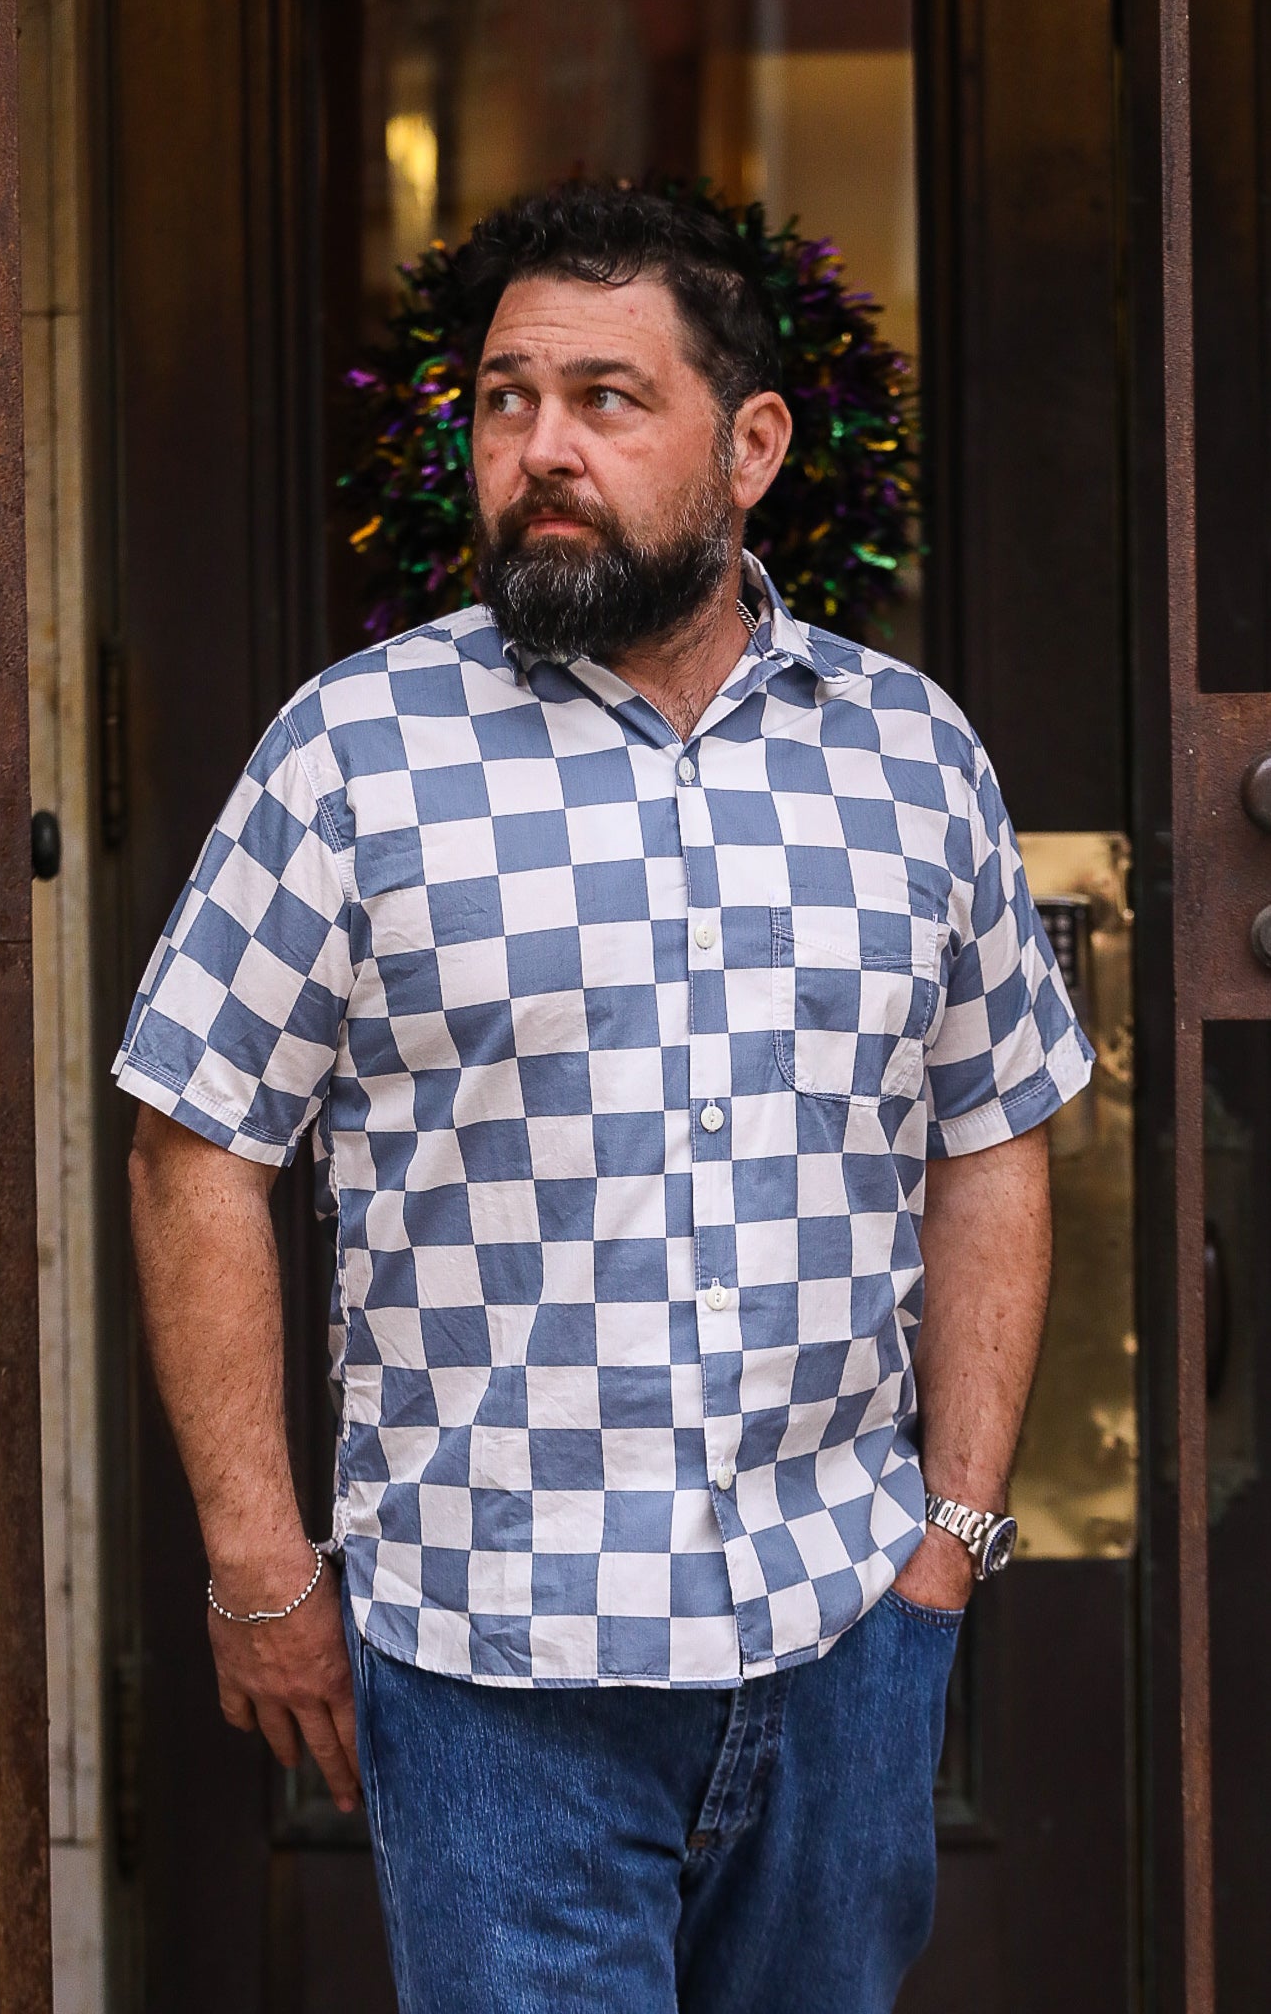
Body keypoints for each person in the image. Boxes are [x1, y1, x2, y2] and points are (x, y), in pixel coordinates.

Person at [116, 184, 1093, 2013]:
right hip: (496, 1672)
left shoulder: (910, 751)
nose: (537, 450)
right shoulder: (355, 750)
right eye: (501, 400)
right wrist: (261, 1565)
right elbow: (197, 1148)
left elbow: (992, 1141)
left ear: (750, 448)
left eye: (601, 399)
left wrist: (946, 1542)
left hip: (841, 1643)